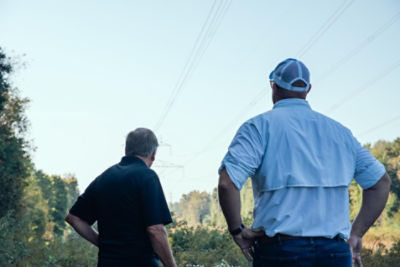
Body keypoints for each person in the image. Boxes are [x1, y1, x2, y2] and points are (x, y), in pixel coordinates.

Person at [218, 58, 391, 267]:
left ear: (273, 86)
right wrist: (356, 234)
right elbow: (380, 183)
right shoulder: (341, 134)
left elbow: (227, 183)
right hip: (335, 253)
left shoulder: (258, 127)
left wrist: (237, 230)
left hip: (280, 252)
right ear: (308, 89)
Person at [65, 128, 176, 267]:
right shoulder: (147, 176)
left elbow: (74, 218)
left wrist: (104, 243)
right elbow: (155, 230)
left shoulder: (104, 178)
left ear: (126, 149)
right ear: (153, 154)